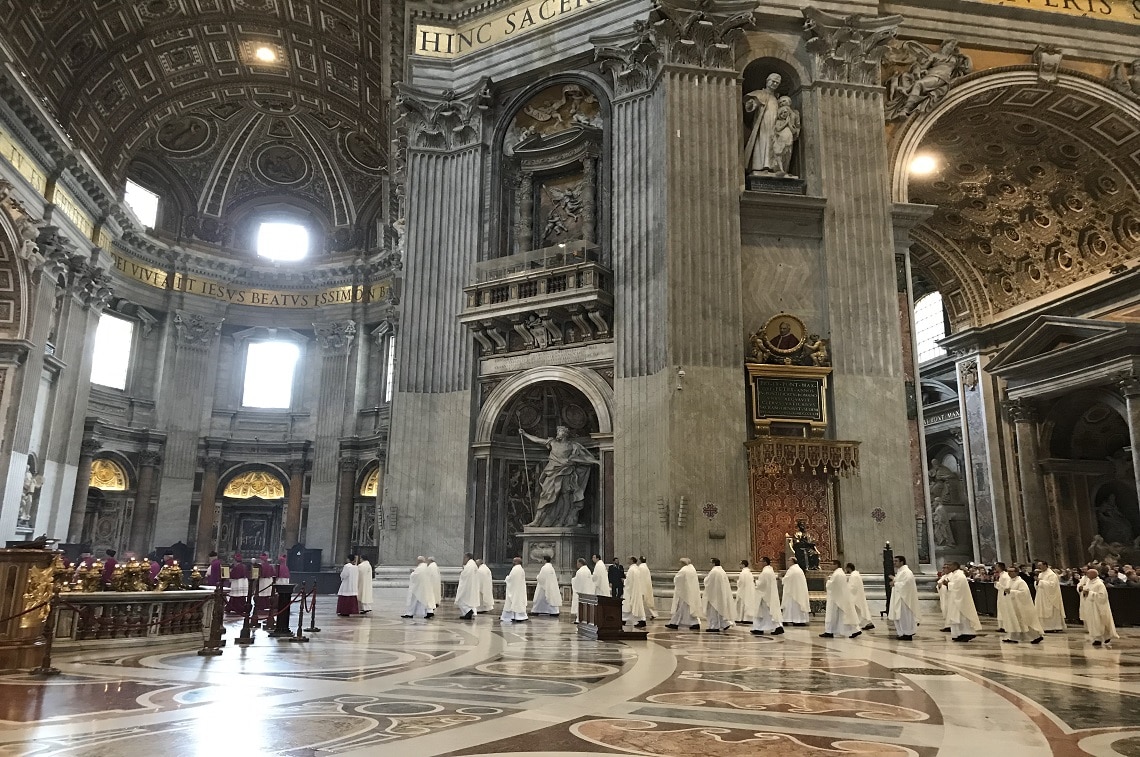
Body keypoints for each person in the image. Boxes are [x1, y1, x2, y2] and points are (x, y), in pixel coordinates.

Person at [518, 425, 602, 527]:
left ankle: (563, 521)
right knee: (545, 496)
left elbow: (582, 458)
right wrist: (525, 434)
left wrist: (596, 461)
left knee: (566, 497)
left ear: (565, 434)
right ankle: (537, 521)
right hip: (552, 472)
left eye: (560, 432)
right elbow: (537, 440)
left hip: (566, 472)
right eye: (558, 432)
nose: (558, 433)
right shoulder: (552, 442)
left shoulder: (573, 446)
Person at [743, 72, 783, 174]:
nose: (774, 84)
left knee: (773, 143)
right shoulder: (760, 94)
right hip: (763, 123)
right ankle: (760, 166)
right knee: (763, 141)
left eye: (777, 83)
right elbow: (751, 105)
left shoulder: (777, 98)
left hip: (775, 124)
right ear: (767, 81)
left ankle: (772, 166)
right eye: (773, 82)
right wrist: (751, 104)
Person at [938, 561, 981, 641]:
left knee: (962, 618)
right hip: (955, 599)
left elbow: (958, 586)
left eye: (950, 566)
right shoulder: (954, 574)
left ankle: (967, 633)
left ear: (955, 566)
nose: (949, 567)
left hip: (961, 601)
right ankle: (959, 634)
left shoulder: (960, 575)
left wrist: (948, 584)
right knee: (956, 617)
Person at [1002, 565, 1044, 644]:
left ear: (1016, 572)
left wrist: (1011, 591)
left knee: (1025, 621)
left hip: (1021, 605)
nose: (1009, 573)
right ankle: (1013, 637)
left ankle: (1037, 636)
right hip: (1012, 605)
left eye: (1011, 571)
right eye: (1008, 571)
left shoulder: (1020, 582)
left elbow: (1024, 593)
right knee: (1014, 621)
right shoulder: (1009, 581)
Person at [821, 560, 860, 639]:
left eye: (832, 565)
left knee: (833, 615)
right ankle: (854, 630)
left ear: (836, 565)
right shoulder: (840, 573)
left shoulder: (837, 574)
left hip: (835, 598)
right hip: (839, 597)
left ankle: (829, 631)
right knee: (843, 616)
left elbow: (831, 585)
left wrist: (826, 580)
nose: (830, 566)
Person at [1080, 568, 1119, 647]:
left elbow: (1102, 596)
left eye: (1088, 574)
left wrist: (1090, 593)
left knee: (1100, 622)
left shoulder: (1099, 584)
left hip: (1097, 607)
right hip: (1090, 606)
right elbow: (1085, 591)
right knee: (1093, 622)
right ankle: (1099, 637)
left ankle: (1099, 638)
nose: (1087, 575)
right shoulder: (1088, 582)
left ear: (1093, 575)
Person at [665, 558, 703, 630]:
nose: (679, 564)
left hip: (683, 593)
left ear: (683, 563)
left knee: (680, 608)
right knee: (689, 609)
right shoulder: (692, 569)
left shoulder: (684, 570)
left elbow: (677, 579)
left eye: (680, 563)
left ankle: (676, 623)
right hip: (690, 592)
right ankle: (677, 623)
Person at [750, 556, 784, 635]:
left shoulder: (765, 572)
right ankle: (759, 628)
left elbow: (761, 584)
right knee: (766, 613)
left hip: (765, 595)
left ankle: (777, 627)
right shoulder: (770, 570)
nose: (760, 564)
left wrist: (756, 582)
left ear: (765, 562)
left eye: (761, 562)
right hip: (768, 594)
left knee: (767, 613)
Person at [888, 555, 919, 640]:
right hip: (899, 597)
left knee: (905, 616)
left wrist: (895, 583)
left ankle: (908, 633)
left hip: (904, 599)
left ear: (902, 562)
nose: (894, 563)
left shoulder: (906, 572)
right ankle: (902, 633)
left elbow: (907, 583)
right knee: (899, 616)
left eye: (896, 561)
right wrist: (895, 580)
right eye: (894, 561)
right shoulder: (900, 572)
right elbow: (901, 581)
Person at [703, 559, 735, 633]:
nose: (709, 564)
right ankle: (724, 623)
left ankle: (714, 626)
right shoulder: (722, 571)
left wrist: (705, 579)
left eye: (710, 562)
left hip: (714, 594)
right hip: (720, 594)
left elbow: (708, 581)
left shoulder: (714, 572)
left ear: (713, 563)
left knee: (713, 611)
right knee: (720, 610)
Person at [1034, 560, 1065, 632]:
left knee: (1051, 610)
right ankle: (1043, 627)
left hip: (1050, 596)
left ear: (1045, 565)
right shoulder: (1041, 574)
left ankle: (1053, 627)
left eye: (1040, 565)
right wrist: (1037, 582)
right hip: (1041, 595)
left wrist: (1040, 581)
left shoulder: (1051, 574)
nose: (1039, 567)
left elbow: (1052, 585)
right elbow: (1038, 584)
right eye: (1038, 565)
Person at [781, 557, 810, 625]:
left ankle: (791, 619)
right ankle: (799, 620)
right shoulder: (798, 569)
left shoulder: (792, 570)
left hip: (792, 592)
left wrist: (781, 578)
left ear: (792, 561)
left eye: (788, 560)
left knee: (791, 605)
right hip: (797, 591)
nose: (787, 562)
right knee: (796, 606)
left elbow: (786, 579)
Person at [846, 562, 875, 630]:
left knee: (859, 610)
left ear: (849, 568)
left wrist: (845, 589)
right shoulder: (856, 574)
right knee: (861, 609)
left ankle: (866, 623)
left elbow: (852, 586)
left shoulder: (854, 575)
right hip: (858, 595)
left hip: (855, 595)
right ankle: (867, 623)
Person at [500, 557, 530, 623]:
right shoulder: (521, 569)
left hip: (514, 589)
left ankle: (510, 616)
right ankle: (519, 616)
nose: (513, 563)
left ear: (517, 562)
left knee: (512, 602)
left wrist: (507, 578)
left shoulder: (515, 569)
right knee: (518, 602)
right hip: (519, 589)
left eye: (514, 561)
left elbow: (511, 578)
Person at [623, 556, 648, 628]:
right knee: (633, 606)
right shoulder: (636, 568)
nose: (627, 560)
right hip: (636, 590)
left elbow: (629, 581)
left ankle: (624, 620)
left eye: (628, 559)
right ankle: (640, 620)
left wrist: (624, 581)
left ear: (631, 560)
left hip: (630, 590)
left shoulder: (631, 570)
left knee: (628, 605)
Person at [455, 553, 480, 619]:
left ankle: (468, 611)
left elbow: (465, 575)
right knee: (468, 601)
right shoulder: (473, 564)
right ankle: (467, 614)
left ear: (467, 557)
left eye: (464, 558)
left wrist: (462, 573)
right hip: (471, 586)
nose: (463, 560)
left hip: (467, 586)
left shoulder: (469, 565)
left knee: (461, 600)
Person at [571, 557, 594, 622]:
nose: (577, 564)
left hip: (581, 591)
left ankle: (579, 619)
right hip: (587, 590)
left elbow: (577, 582)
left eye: (577, 563)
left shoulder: (580, 571)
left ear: (580, 563)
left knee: (580, 606)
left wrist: (573, 580)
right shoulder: (588, 570)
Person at [993, 561, 1011, 633]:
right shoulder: (1001, 575)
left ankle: (1005, 626)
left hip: (1004, 595)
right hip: (1000, 595)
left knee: (1004, 610)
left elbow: (1006, 587)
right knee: (1001, 609)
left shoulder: (1005, 576)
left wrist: (997, 584)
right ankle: (1002, 626)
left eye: (996, 566)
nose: (995, 568)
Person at [256, 552, 275, 617]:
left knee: (262, 594)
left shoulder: (261, 566)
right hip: (269, 580)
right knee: (267, 594)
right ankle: (268, 605)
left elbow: (260, 574)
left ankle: (261, 606)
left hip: (263, 581)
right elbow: (273, 573)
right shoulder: (270, 566)